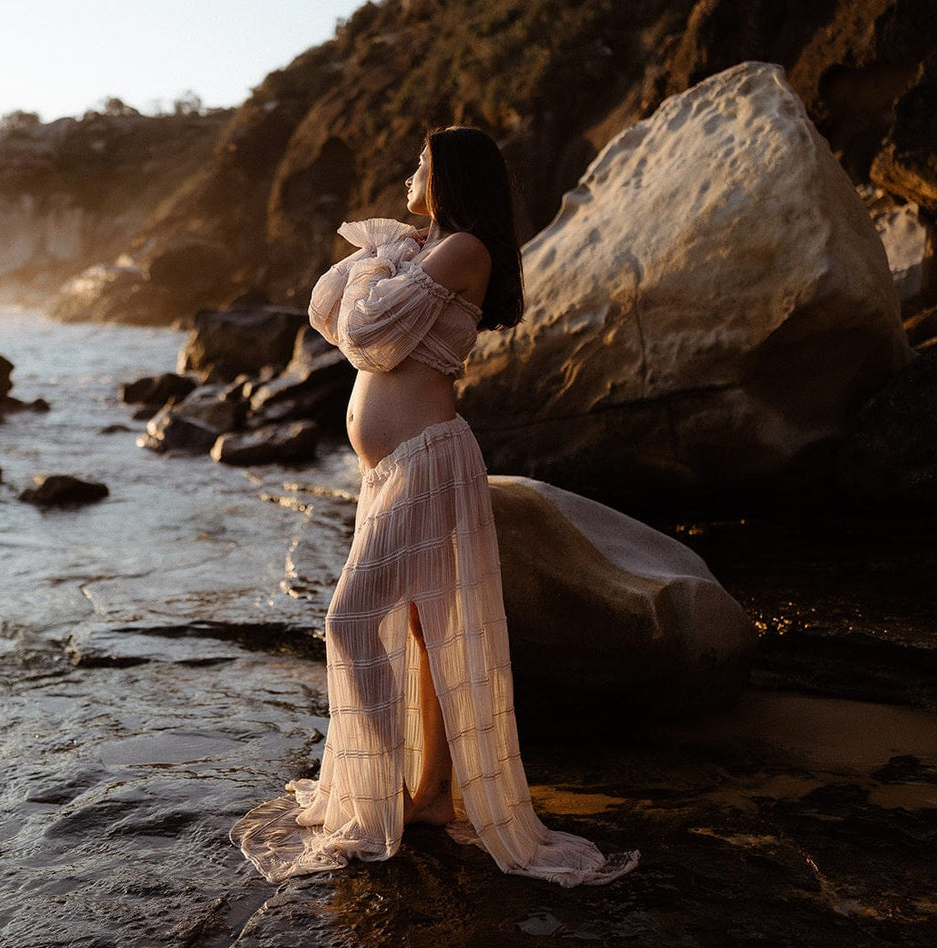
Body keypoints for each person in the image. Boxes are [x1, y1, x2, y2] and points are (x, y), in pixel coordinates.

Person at [230, 126, 640, 886]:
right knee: (418, 629)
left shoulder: (462, 250)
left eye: (419, 163)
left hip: (424, 458)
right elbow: (325, 310)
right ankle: (426, 798)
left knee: (351, 620)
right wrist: (381, 253)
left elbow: (364, 336)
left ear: (449, 174)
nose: (407, 174)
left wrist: (383, 259)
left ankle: (382, 798)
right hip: (393, 468)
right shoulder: (424, 249)